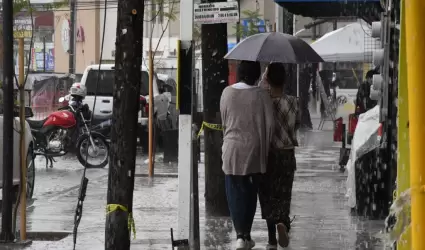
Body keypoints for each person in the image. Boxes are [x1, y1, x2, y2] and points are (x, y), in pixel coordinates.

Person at [220, 60, 274, 249]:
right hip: (254, 150)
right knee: (250, 193)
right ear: (257, 75)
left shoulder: (227, 93)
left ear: (239, 73)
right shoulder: (262, 95)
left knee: (234, 191)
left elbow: (224, 120)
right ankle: (246, 235)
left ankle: (240, 236)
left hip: (231, 149)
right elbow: (270, 125)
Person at [258, 63, 300, 250]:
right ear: (285, 80)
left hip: (269, 155)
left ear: (268, 80)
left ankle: (271, 240)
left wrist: (263, 80)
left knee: (268, 196)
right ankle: (283, 222)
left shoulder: (264, 101)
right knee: (284, 194)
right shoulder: (294, 102)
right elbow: (297, 125)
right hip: (288, 154)